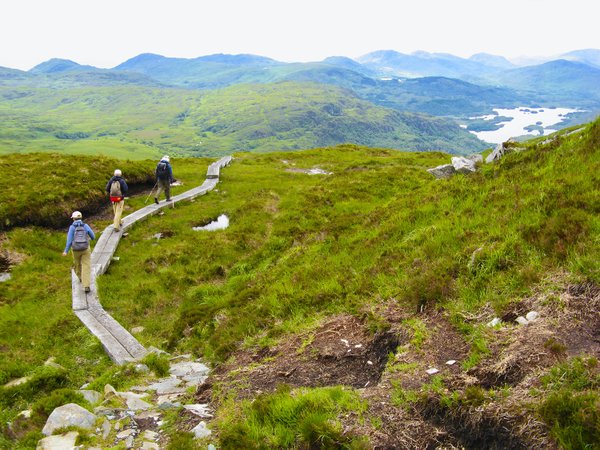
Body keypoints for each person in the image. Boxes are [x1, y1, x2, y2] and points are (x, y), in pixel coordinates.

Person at [62, 211, 95, 293]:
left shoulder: (72, 227)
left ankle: (80, 277)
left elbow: (69, 241)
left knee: (77, 265)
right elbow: (93, 237)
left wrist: (66, 251)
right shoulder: (85, 226)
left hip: (75, 250)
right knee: (86, 266)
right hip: (85, 249)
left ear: (73, 218)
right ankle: (86, 285)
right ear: (81, 218)